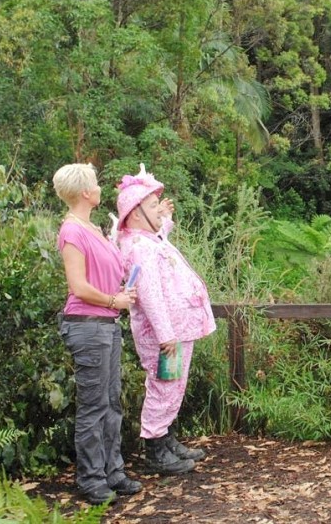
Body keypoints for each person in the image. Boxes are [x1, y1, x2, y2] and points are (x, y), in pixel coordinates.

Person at [115, 164, 216, 475]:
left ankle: (167, 438)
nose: (159, 209)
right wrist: (165, 335)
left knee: (174, 384)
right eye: (152, 206)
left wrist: (164, 220)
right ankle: (156, 449)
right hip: (165, 334)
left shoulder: (148, 241)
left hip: (175, 329)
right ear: (134, 214)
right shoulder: (139, 249)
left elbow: (161, 240)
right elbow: (151, 295)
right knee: (164, 384)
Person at [52, 163, 142, 505]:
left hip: (107, 324)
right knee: (93, 407)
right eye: (96, 184)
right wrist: (112, 299)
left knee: (110, 402)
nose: (100, 188)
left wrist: (122, 290)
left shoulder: (91, 228)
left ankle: (113, 471)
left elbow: (112, 269)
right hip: (88, 326)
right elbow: (77, 286)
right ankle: (91, 480)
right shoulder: (72, 231)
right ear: (86, 193)